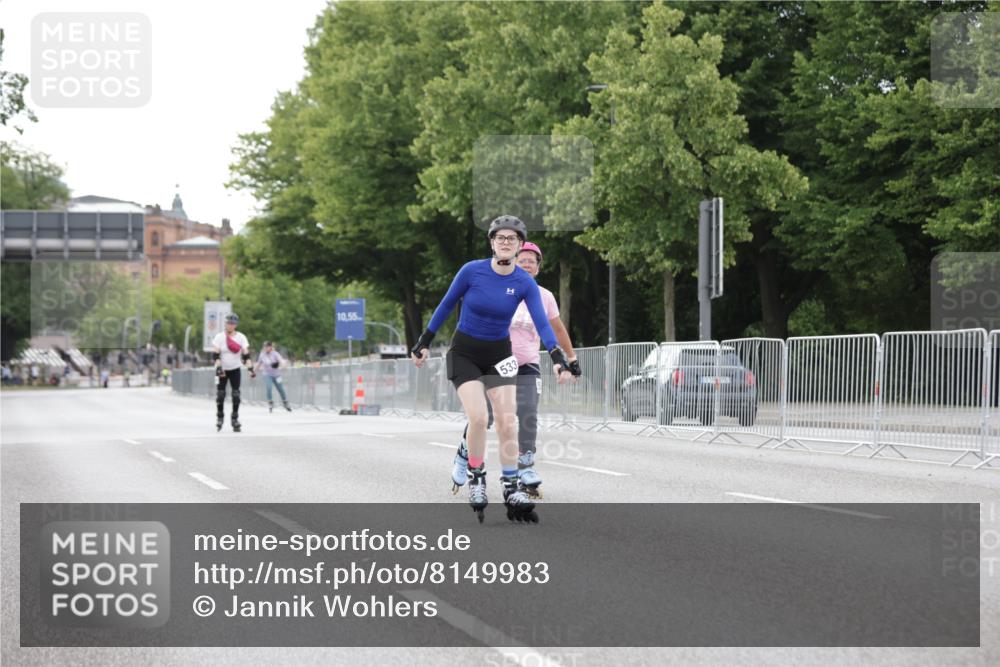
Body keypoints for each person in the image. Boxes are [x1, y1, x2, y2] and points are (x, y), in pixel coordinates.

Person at [411, 215, 572, 523]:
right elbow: (446, 304)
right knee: (479, 417)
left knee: (507, 421)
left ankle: (511, 487)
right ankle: (477, 477)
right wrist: (424, 341)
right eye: (500, 238)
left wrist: (556, 355)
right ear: (492, 242)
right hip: (466, 352)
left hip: (500, 354)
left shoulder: (524, 282)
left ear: (519, 245)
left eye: (512, 239)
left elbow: (541, 321)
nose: (506, 242)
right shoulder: (472, 271)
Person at [450, 241, 581, 498]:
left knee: (528, 411)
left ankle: (526, 466)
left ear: (538, 268)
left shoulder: (543, 296)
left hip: (527, 363)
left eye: (533, 261)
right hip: (497, 364)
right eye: (523, 259)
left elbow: (556, 329)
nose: (528, 264)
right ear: (512, 261)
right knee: (484, 417)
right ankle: (465, 452)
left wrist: (570, 358)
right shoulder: (496, 290)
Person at [211, 313, 255, 432]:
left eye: (233, 324)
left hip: (235, 369)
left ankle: (234, 419)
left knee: (236, 395)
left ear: (236, 325)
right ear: (225, 324)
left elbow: (246, 355)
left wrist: (251, 369)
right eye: (228, 323)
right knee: (221, 395)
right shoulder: (219, 337)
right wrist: (219, 368)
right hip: (222, 369)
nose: (230, 325)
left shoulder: (241, 337)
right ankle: (220, 417)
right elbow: (216, 354)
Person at [256, 341, 292, 412]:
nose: (266, 348)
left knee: (281, 389)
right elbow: (258, 364)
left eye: (267, 346)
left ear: (270, 347)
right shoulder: (262, 355)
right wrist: (253, 371)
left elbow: (281, 360)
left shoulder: (275, 354)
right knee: (269, 387)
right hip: (267, 374)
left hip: (277, 375)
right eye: (264, 346)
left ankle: (285, 402)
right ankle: (270, 402)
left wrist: (283, 365)